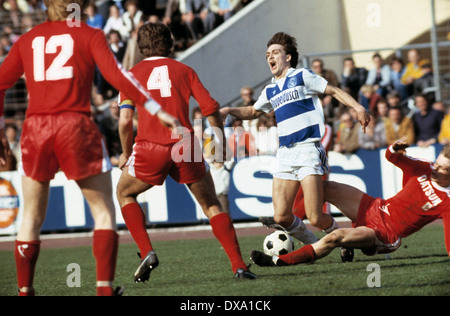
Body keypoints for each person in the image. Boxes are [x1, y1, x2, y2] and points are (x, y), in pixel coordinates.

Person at [0, 0, 179, 296]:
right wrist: (156, 109)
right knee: (103, 212)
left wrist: (2, 135)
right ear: (79, 5)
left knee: (30, 217)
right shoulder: (88, 34)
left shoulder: (28, 39)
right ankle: (104, 290)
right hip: (75, 126)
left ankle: (24, 290)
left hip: (35, 129)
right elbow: (118, 75)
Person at [116, 22, 256, 282]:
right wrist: (218, 143)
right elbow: (210, 107)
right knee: (212, 204)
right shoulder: (184, 70)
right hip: (185, 144)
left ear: (141, 47)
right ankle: (239, 266)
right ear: (170, 43)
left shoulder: (130, 76)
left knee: (124, 193)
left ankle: (147, 251)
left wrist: (126, 154)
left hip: (150, 147)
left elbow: (124, 121)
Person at [220, 32, 370, 245]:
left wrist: (358, 107)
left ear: (288, 57)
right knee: (281, 216)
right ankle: (311, 245)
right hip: (285, 154)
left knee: (315, 216)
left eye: (275, 52)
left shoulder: (302, 76)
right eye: (267, 55)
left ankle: (343, 240)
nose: (270, 57)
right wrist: (228, 110)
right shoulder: (270, 89)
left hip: (308, 149)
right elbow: (253, 111)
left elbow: (333, 90)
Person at [251, 141, 450, 267]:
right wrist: (394, 148)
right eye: (437, 162)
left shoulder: (447, 202)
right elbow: (392, 157)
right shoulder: (425, 167)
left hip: (385, 233)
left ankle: (279, 260)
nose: (436, 167)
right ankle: (290, 221)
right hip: (376, 207)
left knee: (335, 238)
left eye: (442, 168)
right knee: (324, 188)